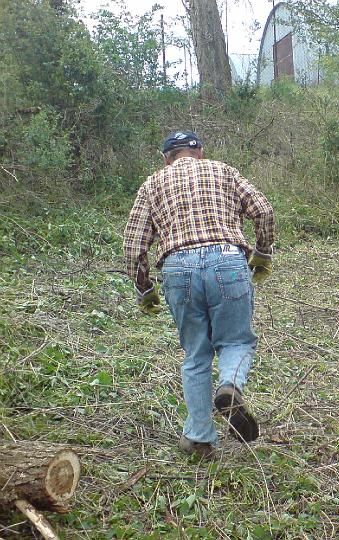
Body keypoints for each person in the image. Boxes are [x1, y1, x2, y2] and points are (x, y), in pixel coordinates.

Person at [124, 130, 275, 458]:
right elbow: (262, 210)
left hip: (177, 268)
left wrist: (144, 287)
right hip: (227, 260)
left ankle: (200, 439)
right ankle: (230, 387)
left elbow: (134, 246)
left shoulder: (152, 184)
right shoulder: (223, 171)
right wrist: (262, 252)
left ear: (167, 158)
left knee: (196, 354)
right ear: (200, 153)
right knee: (236, 342)